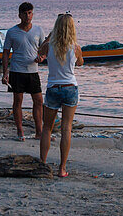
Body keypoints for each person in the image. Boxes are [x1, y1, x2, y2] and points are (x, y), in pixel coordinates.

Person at [38, 13, 83, 177]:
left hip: (53, 88)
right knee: (66, 128)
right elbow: (80, 63)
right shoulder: (76, 47)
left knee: (47, 128)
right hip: (70, 87)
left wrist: (48, 37)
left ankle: (42, 163)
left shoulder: (49, 45)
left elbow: (39, 52)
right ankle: (62, 168)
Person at [1, 2, 45, 142]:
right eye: (25, 13)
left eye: (30, 13)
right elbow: (6, 53)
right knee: (18, 101)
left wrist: (42, 57)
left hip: (33, 71)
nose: (27, 16)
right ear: (19, 15)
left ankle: (39, 131)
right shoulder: (12, 32)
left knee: (38, 101)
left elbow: (44, 48)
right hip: (16, 71)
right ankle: (20, 131)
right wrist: (5, 73)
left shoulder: (38, 30)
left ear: (32, 14)